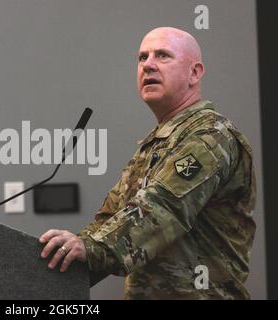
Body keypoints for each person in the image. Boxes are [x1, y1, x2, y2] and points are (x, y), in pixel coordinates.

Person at [39, 27, 256, 299]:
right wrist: (63, 255)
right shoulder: (156, 143)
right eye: (142, 58)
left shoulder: (211, 135)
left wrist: (91, 248)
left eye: (162, 56)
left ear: (195, 73)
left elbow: (162, 207)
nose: (148, 65)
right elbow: (111, 219)